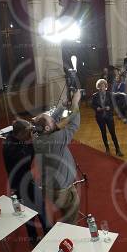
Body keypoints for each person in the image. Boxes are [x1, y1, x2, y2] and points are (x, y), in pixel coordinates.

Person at [33, 90, 82, 224]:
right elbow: (73, 125)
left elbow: (49, 121)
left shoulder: (36, 137)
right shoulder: (55, 139)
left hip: (49, 187)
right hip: (62, 190)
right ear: (48, 129)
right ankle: (67, 238)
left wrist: (61, 107)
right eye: (51, 122)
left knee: (63, 211)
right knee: (70, 219)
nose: (54, 121)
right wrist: (75, 103)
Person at [2, 119, 49, 246]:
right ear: (21, 133)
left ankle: (35, 239)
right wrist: (32, 144)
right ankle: (46, 235)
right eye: (28, 132)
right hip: (21, 185)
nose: (30, 133)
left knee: (31, 213)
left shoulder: (13, 138)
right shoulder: (10, 147)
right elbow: (27, 160)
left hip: (23, 182)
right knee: (36, 212)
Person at [91, 79, 123, 156]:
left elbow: (114, 104)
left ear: (106, 86)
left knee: (113, 133)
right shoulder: (95, 96)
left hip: (109, 116)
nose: (102, 87)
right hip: (100, 117)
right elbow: (92, 105)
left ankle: (118, 150)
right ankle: (107, 149)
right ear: (98, 87)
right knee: (103, 133)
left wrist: (110, 108)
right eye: (100, 86)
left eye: (103, 86)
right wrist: (96, 108)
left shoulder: (110, 94)